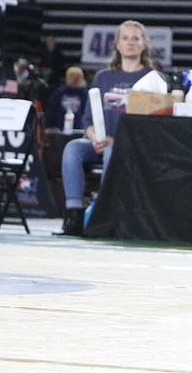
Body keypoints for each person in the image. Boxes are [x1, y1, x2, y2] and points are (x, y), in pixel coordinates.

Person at [55, 20, 160, 236]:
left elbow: (154, 123)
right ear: (118, 44)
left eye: (135, 38)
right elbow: (88, 118)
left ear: (144, 44)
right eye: (125, 38)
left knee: (113, 150)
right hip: (100, 142)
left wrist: (116, 140)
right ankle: (73, 217)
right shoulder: (103, 77)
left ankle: (104, 215)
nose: (130, 43)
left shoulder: (153, 79)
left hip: (130, 147)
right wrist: (94, 138)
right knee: (72, 148)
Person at [45, 66, 90, 132]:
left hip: (79, 128)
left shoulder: (84, 93)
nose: (71, 79)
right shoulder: (60, 92)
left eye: (74, 77)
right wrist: (50, 125)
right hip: (60, 127)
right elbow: (52, 109)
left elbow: (87, 111)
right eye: (70, 76)